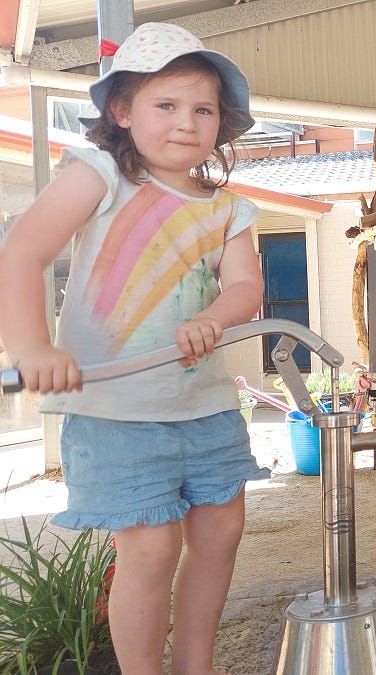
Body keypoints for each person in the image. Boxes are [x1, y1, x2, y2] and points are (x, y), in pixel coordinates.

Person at [0, 23, 265, 674]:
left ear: (221, 123)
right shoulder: (99, 174)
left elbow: (246, 287)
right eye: (166, 105)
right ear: (122, 111)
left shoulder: (227, 209)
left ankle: (194, 663)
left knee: (222, 532)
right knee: (148, 550)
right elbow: (24, 250)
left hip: (204, 408)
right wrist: (31, 342)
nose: (186, 122)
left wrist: (214, 314)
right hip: (117, 413)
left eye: (203, 109)